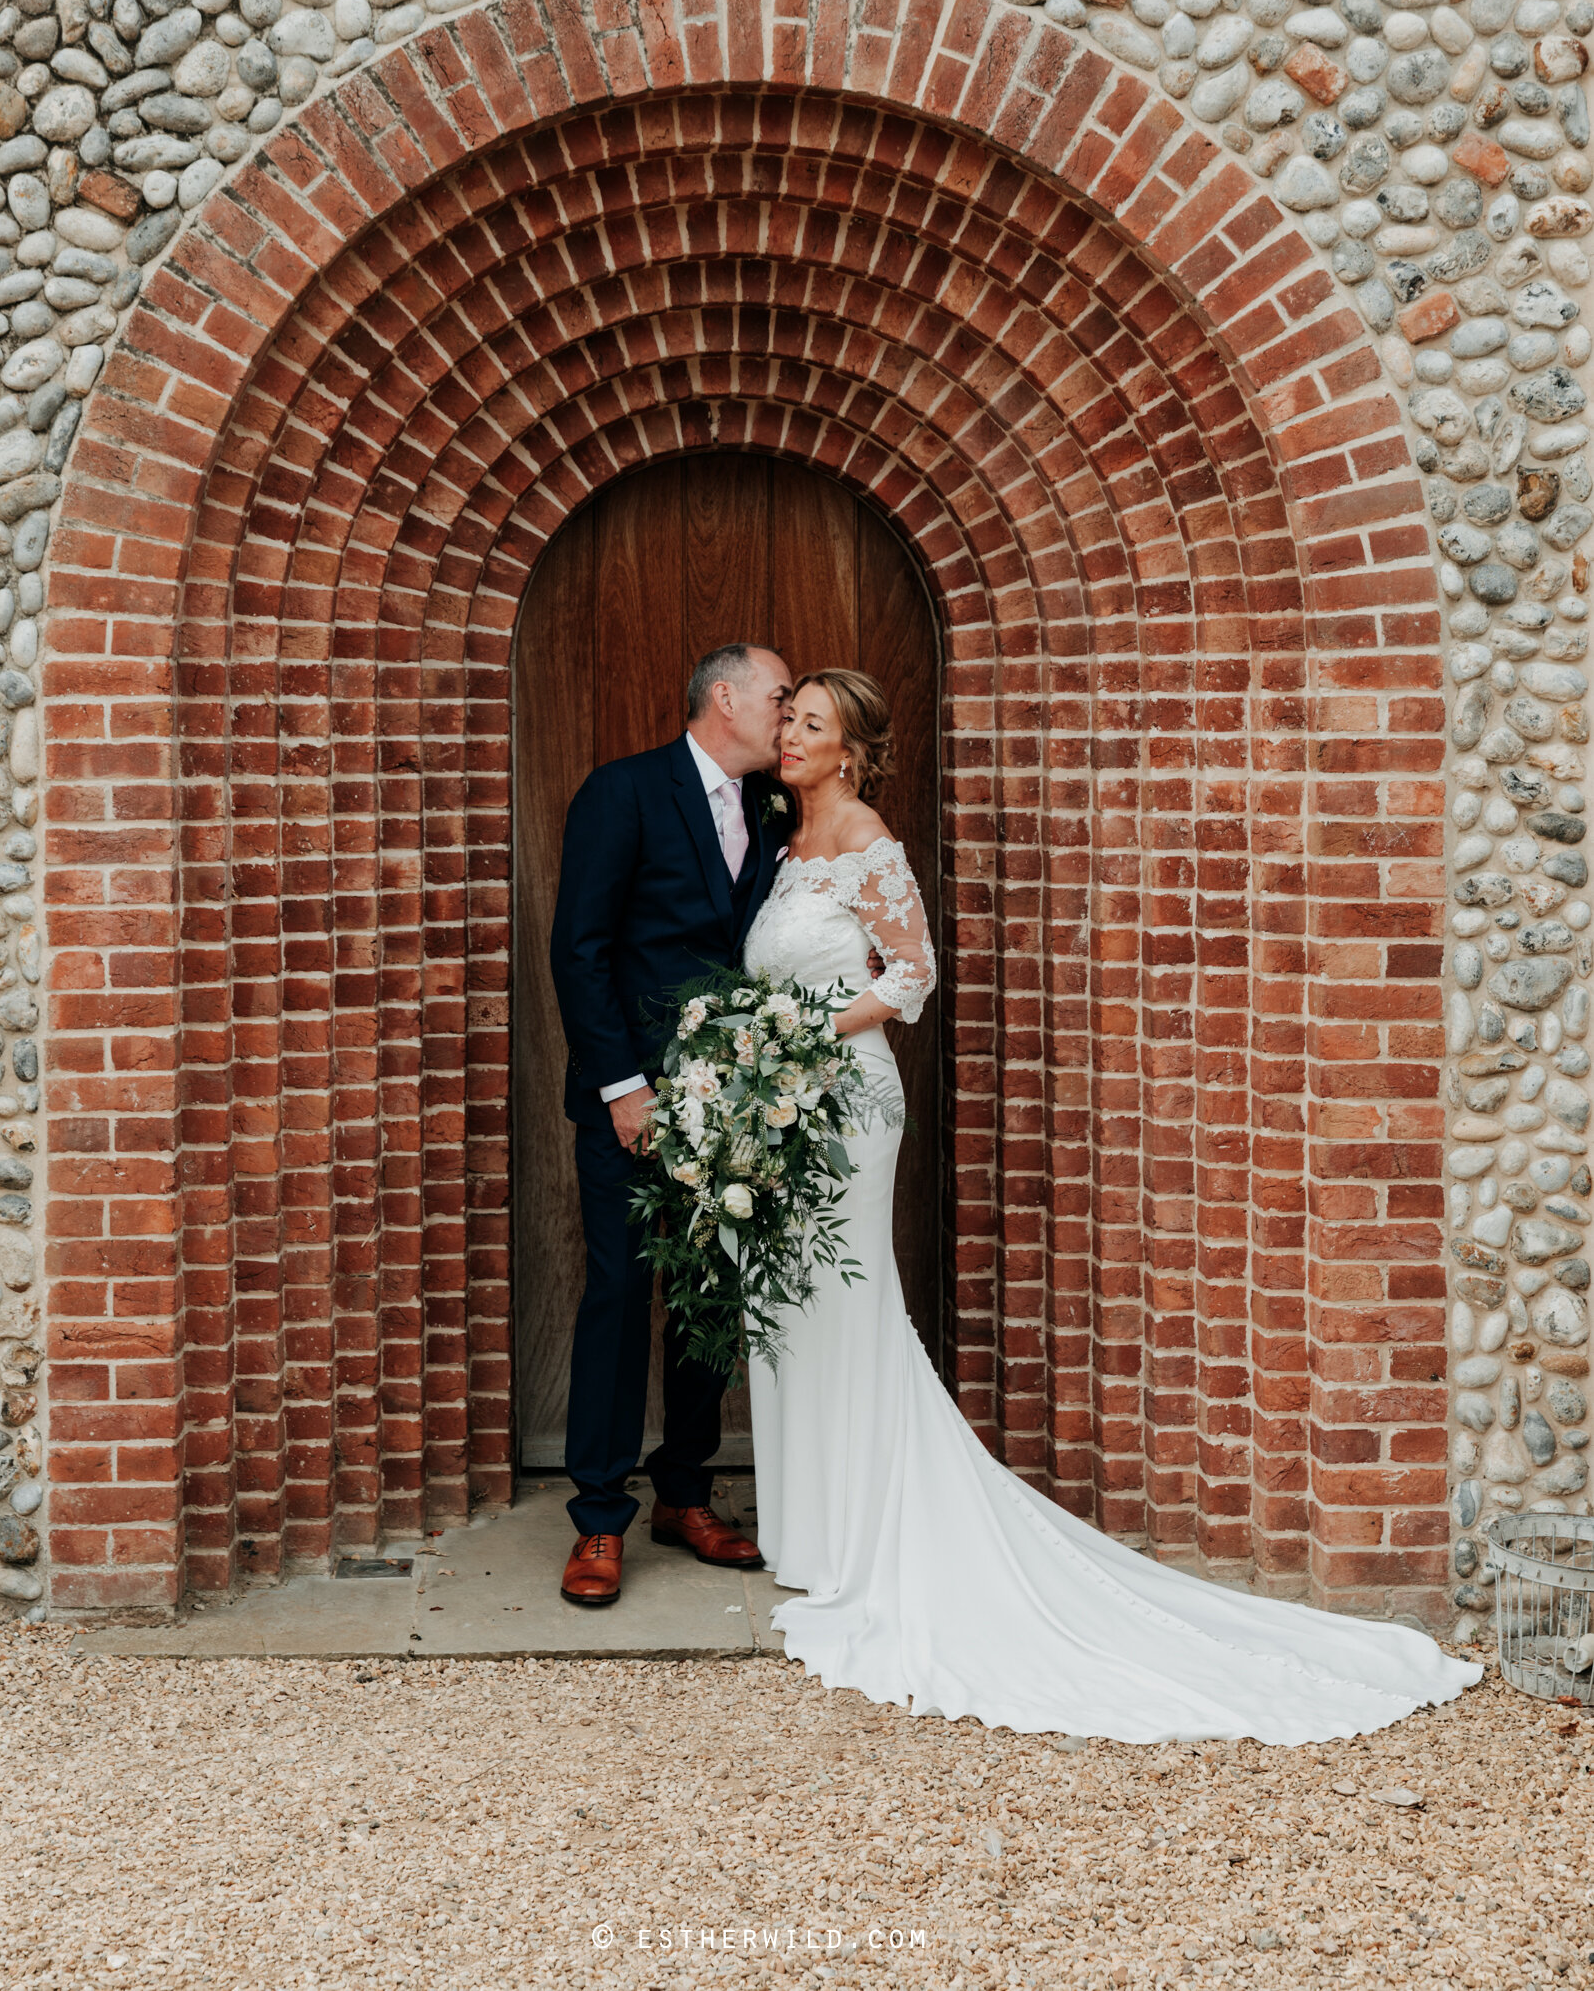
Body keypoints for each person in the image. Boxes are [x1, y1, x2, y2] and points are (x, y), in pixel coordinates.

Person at [742, 668, 1484, 1741]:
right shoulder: (786, 842)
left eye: (809, 725)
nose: (789, 738)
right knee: (801, 1302)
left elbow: (911, 977)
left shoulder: (866, 840)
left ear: (849, 750)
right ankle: (808, 1534)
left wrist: (809, 1036)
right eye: (789, 721)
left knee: (848, 1298)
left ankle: (863, 1538)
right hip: (784, 1101)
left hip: (847, 1101)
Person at [548, 641, 794, 1607]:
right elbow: (582, 948)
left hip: (736, 1097)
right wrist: (621, 1087)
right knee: (619, 1292)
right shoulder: (625, 791)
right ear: (723, 698)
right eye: (779, 697)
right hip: (635, 1099)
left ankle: (684, 1491)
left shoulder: (777, 808)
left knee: (712, 1297)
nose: (787, 712)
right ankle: (598, 1517)